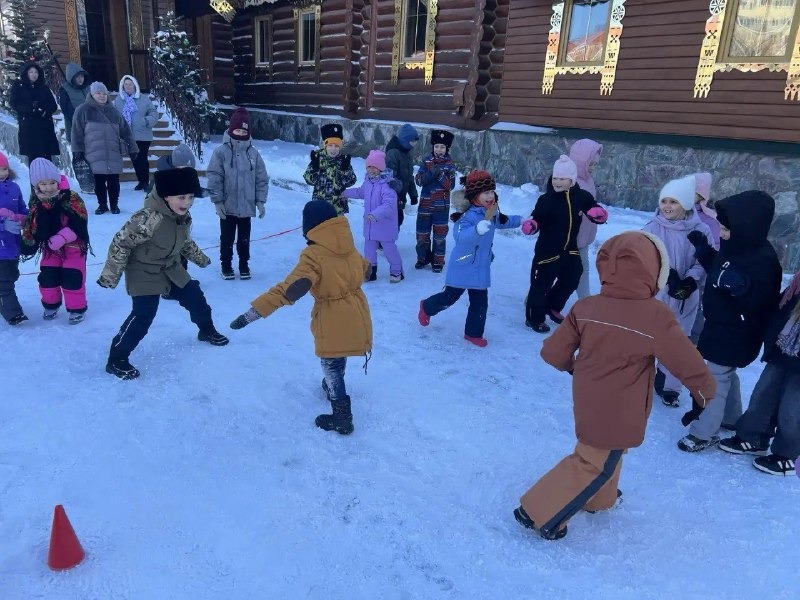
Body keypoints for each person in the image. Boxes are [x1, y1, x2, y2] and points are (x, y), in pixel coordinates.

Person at [513, 231, 716, 540]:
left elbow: (553, 353)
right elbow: (688, 363)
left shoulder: (586, 307)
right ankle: (537, 512)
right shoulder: (655, 316)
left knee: (604, 450)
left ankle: (600, 500)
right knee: (593, 461)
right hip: (623, 403)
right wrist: (704, 395)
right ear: (654, 272)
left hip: (587, 394)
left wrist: (575, 367)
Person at [230, 200, 373, 435]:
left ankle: (342, 417)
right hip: (357, 310)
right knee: (340, 352)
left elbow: (289, 289)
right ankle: (331, 386)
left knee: (331, 362)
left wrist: (253, 313)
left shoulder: (314, 255)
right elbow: (366, 270)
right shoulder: (347, 245)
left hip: (333, 315)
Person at [97, 167, 229, 380]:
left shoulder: (181, 215)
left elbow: (184, 241)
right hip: (144, 271)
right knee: (143, 315)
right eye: (181, 197)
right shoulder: (148, 218)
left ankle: (206, 330)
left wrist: (201, 259)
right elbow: (121, 243)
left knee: (195, 298)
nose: (187, 202)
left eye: (190, 197)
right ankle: (116, 359)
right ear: (166, 196)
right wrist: (111, 275)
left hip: (170, 267)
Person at [678, 191, 782, 452]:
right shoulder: (736, 246)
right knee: (724, 373)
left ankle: (703, 433)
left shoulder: (762, 260)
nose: (721, 234)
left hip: (738, 331)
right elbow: (719, 269)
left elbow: (763, 301)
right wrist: (704, 250)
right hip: (721, 325)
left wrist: (741, 288)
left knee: (715, 379)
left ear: (747, 229)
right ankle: (730, 417)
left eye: (725, 229)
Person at [418, 170, 525, 347]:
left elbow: (503, 221)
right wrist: (476, 230)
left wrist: (521, 220)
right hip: (462, 265)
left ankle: (473, 333)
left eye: (492, 192)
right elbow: (460, 236)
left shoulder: (491, 212)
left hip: (480, 266)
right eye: (486, 192)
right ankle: (426, 307)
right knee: (449, 297)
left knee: (480, 302)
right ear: (475, 195)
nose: (490, 196)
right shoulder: (466, 217)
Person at [718, 273, 799, 475]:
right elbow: (780, 307)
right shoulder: (797, 284)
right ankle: (753, 437)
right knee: (763, 394)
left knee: (793, 408)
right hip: (783, 348)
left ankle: (788, 455)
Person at [643, 175, 712, 408]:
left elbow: (704, 260)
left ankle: (670, 387)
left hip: (686, 298)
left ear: (686, 203)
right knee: (649, 339)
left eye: (674, 202)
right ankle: (639, 377)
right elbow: (641, 256)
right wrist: (666, 274)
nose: (667, 206)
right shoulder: (652, 228)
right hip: (657, 294)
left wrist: (691, 280)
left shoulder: (701, 229)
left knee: (678, 342)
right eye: (664, 201)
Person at [523, 155, 608, 333]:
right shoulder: (547, 200)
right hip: (548, 250)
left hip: (570, 249)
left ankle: (552, 305)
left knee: (573, 276)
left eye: (562, 179)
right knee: (542, 284)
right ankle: (534, 318)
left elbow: (591, 206)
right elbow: (538, 217)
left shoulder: (581, 196)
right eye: (555, 178)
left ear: (572, 180)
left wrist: (597, 213)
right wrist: (533, 224)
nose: (557, 182)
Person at [19, 158, 90, 324]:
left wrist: (63, 236)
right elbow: (33, 223)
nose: (49, 187)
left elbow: (80, 220)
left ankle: (76, 309)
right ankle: (51, 304)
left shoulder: (71, 197)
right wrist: (28, 235)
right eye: (43, 184)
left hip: (73, 246)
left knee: (72, 276)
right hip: (50, 248)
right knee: (48, 276)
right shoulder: (37, 201)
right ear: (36, 185)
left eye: (52, 182)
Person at [207, 107, 269, 280]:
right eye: (238, 130)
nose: (241, 133)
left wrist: (260, 201)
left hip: (246, 207)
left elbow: (261, 178)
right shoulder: (221, 152)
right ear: (231, 130)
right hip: (227, 206)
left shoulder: (253, 154)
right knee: (227, 238)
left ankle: (244, 264)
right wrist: (217, 201)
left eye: (244, 131)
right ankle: (226, 265)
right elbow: (214, 177)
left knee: (244, 239)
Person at [71, 81, 138, 215]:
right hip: (93, 152)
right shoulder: (83, 110)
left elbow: (126, 131)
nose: (102, 96)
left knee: (114, 180)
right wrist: (77, 150)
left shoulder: (114, 111)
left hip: (113, 152)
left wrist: (133, 148)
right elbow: (76, 132)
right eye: (98, 93)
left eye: (104, 93)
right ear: (92, 94)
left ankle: (114, 205)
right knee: (99, 181)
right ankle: (102, 205)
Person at [341, 149, 403, 283]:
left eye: (375, 167)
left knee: (389, 251)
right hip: (370, 226)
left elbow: (389, 205)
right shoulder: (368, 182)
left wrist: (375, 214)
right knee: (368, 251)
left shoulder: (388, 185)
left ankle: (396, 271)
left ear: (381, 168)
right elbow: (360, 192)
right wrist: (344, 193)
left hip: (384, 226)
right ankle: (370, 272)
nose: (371, 169)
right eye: (369, 166)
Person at [414, 129, 456, 272]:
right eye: (437, 146)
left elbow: (450, 186)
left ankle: (438, 261)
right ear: (433, 146)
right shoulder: (426, 161)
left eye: (442, 147)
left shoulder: (450, 165)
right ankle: (423, 258)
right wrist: (432, 172)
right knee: (422, 234)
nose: (439, 149)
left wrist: (440, 176)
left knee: (440, 236)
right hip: (425, 205)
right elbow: (419, 181)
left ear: (447, 148)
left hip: (441, 208)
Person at [569, 139, 603, 299]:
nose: (593, 167)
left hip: (583, 236)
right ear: (580, 161)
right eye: (590, 164)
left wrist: (596, 212)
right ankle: (585, 301)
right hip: (569, 238)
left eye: (595, 164)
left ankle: (585, 301)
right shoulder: (570, 182)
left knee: (581, 269)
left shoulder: (587, 179)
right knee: (560, 269)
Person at [114, 75, 159, 191]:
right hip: (128, 135)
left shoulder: (144, 99)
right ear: (122, 86)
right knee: (134, 159)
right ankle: (140, 181)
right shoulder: (119, 100)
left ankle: (145, 181)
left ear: (135, 85)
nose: (128, 86)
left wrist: (146, 121)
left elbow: (154, 113)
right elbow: (115, 115)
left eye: (130, 84)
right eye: (126, 84)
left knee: (142, 158)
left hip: (143, 134)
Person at [9, 62, 60, 165]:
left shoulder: (43, 87)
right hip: (29, 127)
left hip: (44, 126)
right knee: (34, 158)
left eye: (36, 72)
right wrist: (30, 109)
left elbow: (53, 105)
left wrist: (45, 110)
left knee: (47, 157)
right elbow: (14, 104)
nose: (34, 74)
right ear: (26, 73)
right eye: (31, 72)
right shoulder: (19, 86)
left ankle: (48, 175)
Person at [0, 151, 28, 325]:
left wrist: (26, 218)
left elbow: (22, 208)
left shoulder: (14, 188)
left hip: (13, 243)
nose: (2, 173)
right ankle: (13, 313)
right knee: (4, 282)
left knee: (11, 275)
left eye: (4, 169)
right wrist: (3, 224)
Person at [303, 123, 355, 215]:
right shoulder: (317, 159)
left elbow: (350, 182)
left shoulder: (343, 161)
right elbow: (309, 181)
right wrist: (315, 169)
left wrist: (345, 171)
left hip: (338, 208)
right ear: (325, 146)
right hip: (320, 206)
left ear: (340, 147)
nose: (333, 149)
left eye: (336, 146)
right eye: (330, 145)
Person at [385, 123, 419, 227]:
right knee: (392, 220)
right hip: (392, 196)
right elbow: (390, 176)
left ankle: (390, 236)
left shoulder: (407, 153)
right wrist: (397, 192)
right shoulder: (393, 153)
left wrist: (413, 194)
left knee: (398, 220)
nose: (414, 144)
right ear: (405, 140)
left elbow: (409, 176)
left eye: (415, 141)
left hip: (401, 195)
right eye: (412, 141)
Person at [58, 62, 90, 144]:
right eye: (77, 77)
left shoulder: (87, 88)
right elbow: (67, 111)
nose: (80, 79)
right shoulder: (65, 89)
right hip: (75, 128)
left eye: (82, 76)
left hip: (90, 127)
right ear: (71, 77)